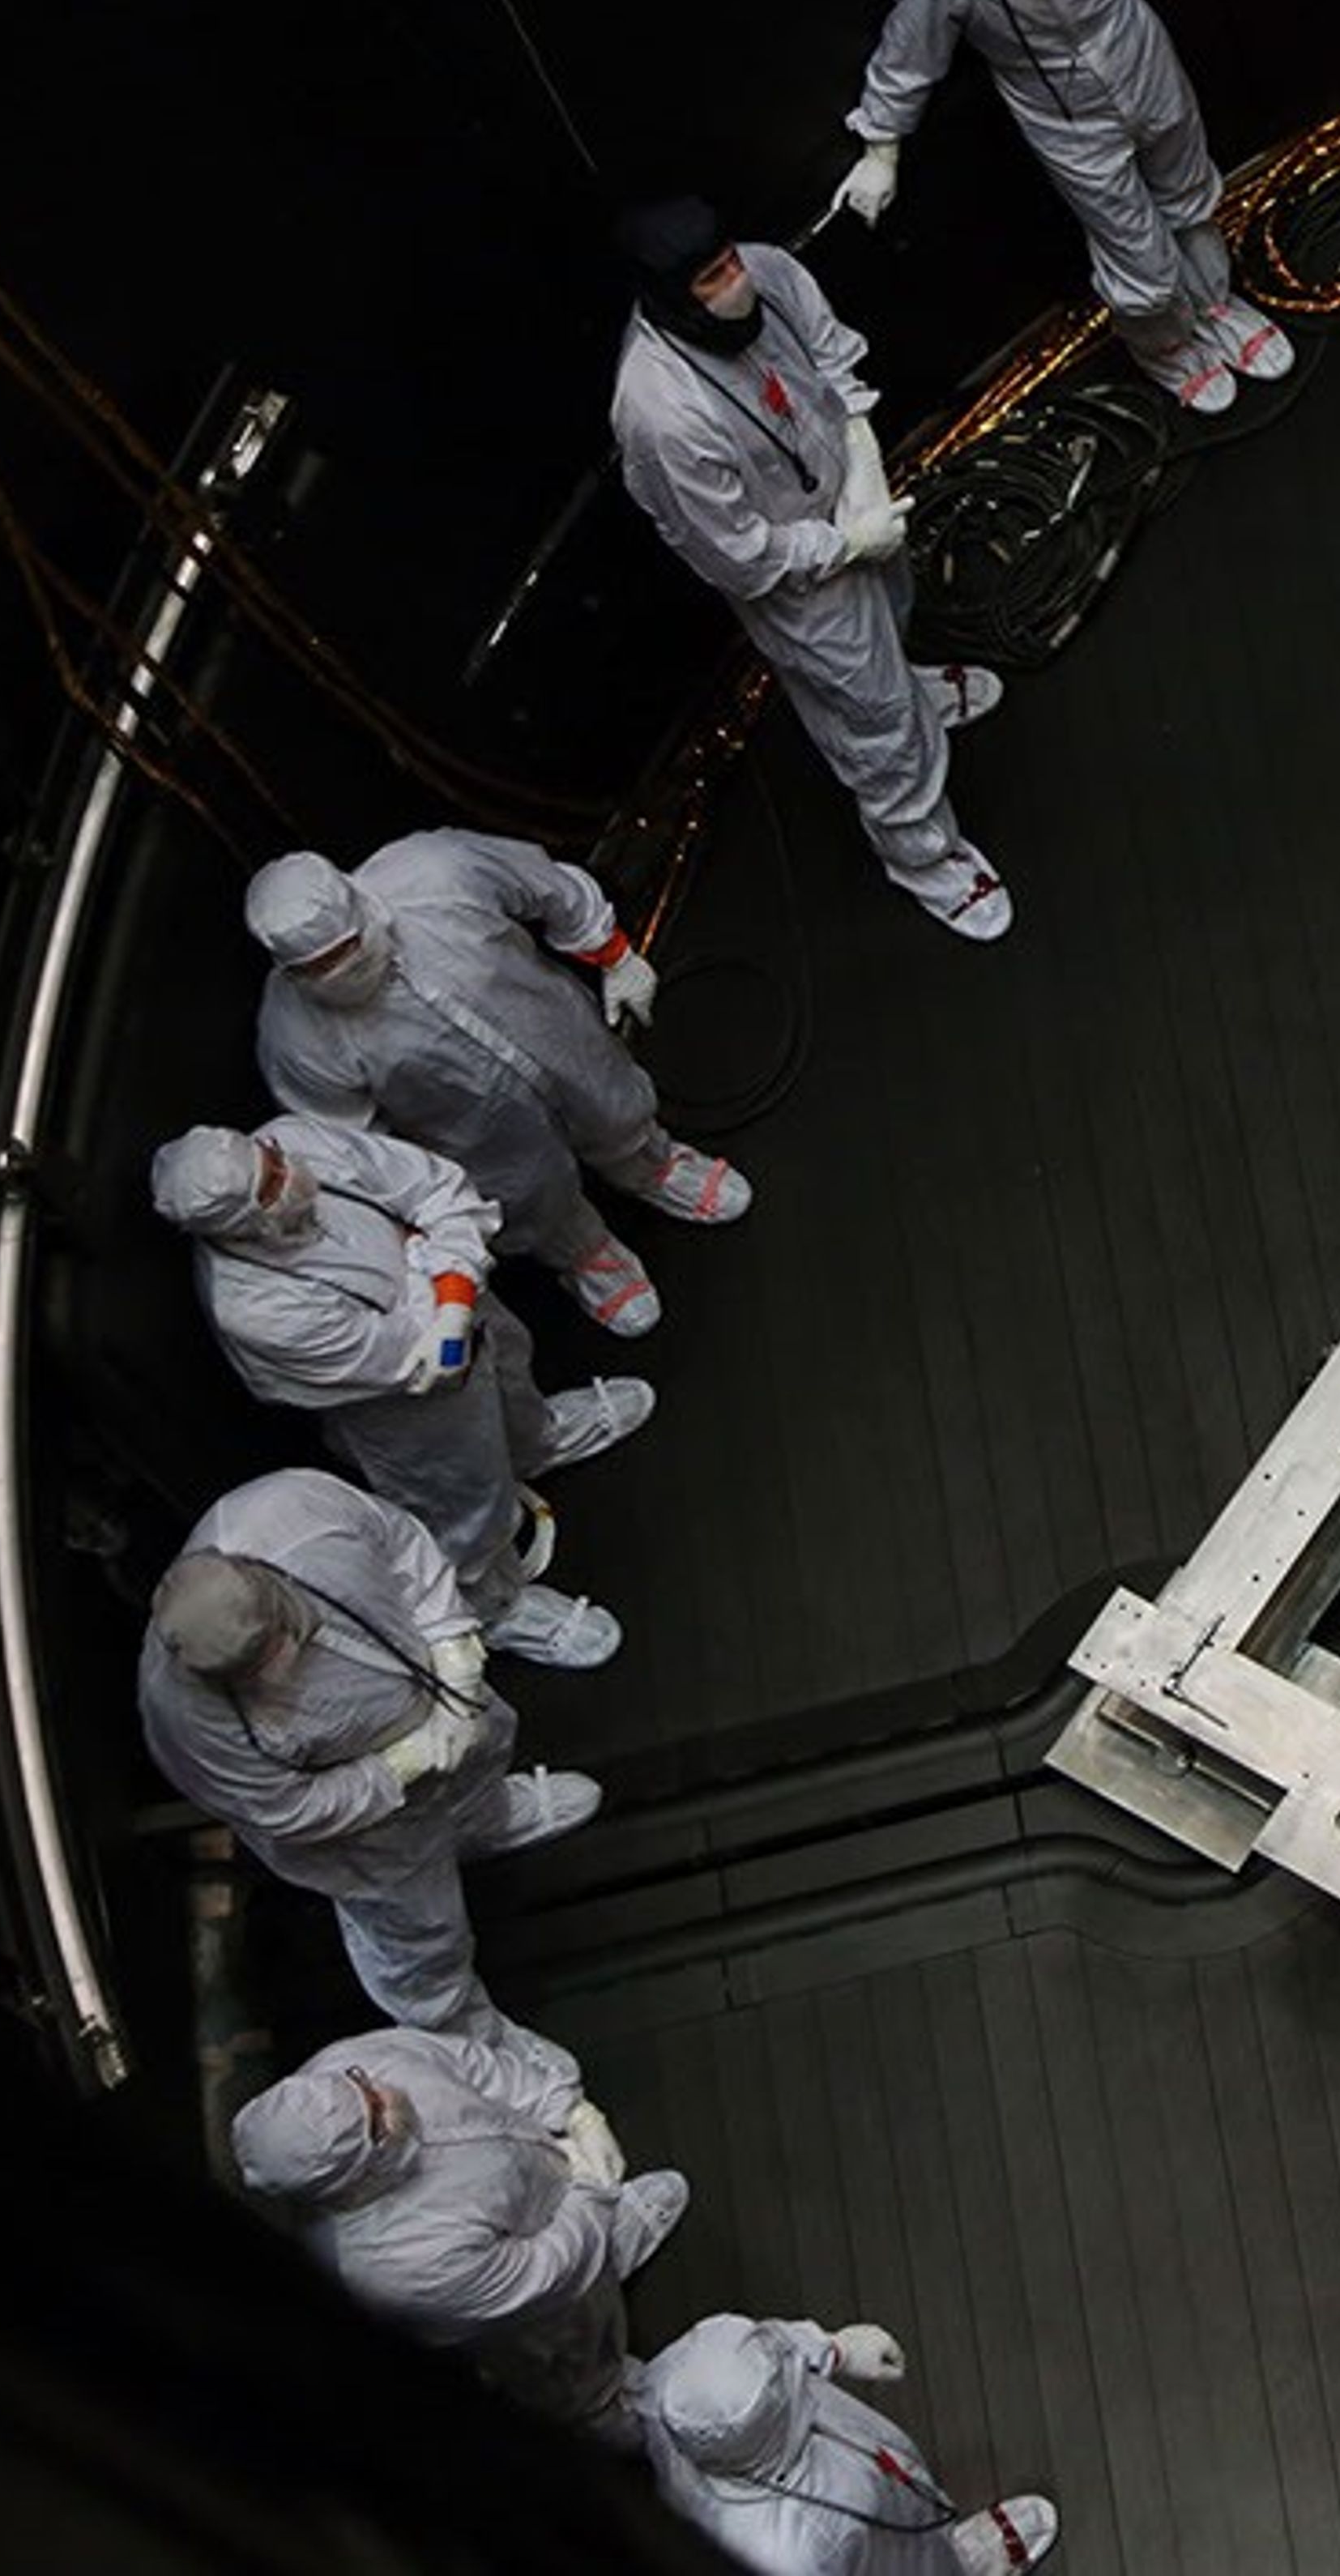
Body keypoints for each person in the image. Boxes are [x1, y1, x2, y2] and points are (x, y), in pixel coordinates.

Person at [604, 196, 1014, 940]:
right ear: (670, 297)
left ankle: (915, 689)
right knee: (876, 723)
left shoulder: (765, 271)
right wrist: (844, 544)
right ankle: (924, 857)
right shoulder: (661, 413)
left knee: (895, 611)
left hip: (850, 500)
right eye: (711, 279)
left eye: (731, 261)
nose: (736, 281)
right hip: (796, 580)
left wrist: (862, 467)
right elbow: (738, 554)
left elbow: (832, 357)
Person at [826, 0, 1295, 418]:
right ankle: (1167, 345)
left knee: (1189, 189)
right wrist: (881, 148)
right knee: (1132, 244)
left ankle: (1213, 304)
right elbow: (908, 55)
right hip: (1061, 109)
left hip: (1135, 49)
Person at [151, 1116, 647, 1667]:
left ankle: (539, 1442)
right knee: (462, 1508)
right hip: (406, 1412)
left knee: (512, 1375)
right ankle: (495, 1607)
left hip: (473, 1317)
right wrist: (436, 1261)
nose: (289, 1170)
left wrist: (447, 1292)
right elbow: (418, 1357)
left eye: (271, 1155)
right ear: (238, 1225)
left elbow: (440, 1188)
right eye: (270, 1184)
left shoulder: (293, 1138)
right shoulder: (255, 1309)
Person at [136, 1468, 604, 2044]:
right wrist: (402, 1765)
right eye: (259, 1666)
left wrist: (454, 1654)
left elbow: (405, 1545)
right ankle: (460, 2034)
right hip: (370, 1830)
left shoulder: (290, 1512)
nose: (283, 1658)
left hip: (441, 1697)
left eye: (279, 1637)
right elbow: (290, 1809)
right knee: (422, 1931)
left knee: (482, 1762)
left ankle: (487, 1823)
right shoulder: (185, 1721)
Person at [249, 833, 748, 1340]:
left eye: (347, 948)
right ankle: (584, 1251)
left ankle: (652, 1164)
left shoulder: (435, 871)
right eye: (319, 967)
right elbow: (355, 1146)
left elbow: (544, 885)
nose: (341, 968)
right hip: (470, 1130)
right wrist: (419, 1205)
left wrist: (613, 952)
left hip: (560, 1035)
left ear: (358, 906)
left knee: (611, 1102)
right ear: (290, 970)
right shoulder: (295, 1039)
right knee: (529, 1192)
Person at [231, 2023, 692, 2443]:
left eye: (362, 2084)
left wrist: (570, 2112)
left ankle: (607, 2245)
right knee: (568, 2358)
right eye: (374, 2115)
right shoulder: (395, 2264)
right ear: (349, 2179)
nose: (383, 2091)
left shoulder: (343, 2067)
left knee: (589, 2264)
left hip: (548, 2187)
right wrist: (593, 2191)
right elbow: (545, 2274)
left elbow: (470, 2064)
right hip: (532, 2315)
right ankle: (601, 2407)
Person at [641, 2309, 1065, 2574]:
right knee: (903, 2558)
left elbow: (768, 2344)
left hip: (826, 2445)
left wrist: (832, 2350)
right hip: (855, 2542)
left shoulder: (671, 2388)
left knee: (905, 2508)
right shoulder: (788, 2554)